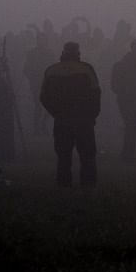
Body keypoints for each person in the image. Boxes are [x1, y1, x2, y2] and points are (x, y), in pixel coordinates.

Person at [40, 41, 101, 188]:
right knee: (87, 155)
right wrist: (92, 115)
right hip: (83, 119)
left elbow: (44, 97)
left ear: (63, 53)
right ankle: (88, 185)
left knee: (63, 155)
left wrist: (55, 112)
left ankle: (64, 184)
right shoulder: (86, 69)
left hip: (62, 119)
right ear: (78, 53)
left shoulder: (52, 70)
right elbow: (96, 94)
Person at [110, 39, 136, 162]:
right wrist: (133, 94)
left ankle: (128, 152)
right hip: (128, 98)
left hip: (126, 98)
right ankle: (127, 153)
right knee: (131, 125)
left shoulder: (130, 62)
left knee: (131, 125)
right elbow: (131, 83)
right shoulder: (132, 63)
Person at [25, 32, 52, 135]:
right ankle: (36, 128)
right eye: (39, 39)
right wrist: (32, 78)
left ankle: (43, 124)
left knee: (48, 105)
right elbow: (26, 68)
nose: (41, 41)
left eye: (43, 39)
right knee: (38, 106)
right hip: (36, 83)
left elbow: (53, 67)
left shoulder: (49, 53)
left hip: (47, 83)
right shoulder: (31, 53)